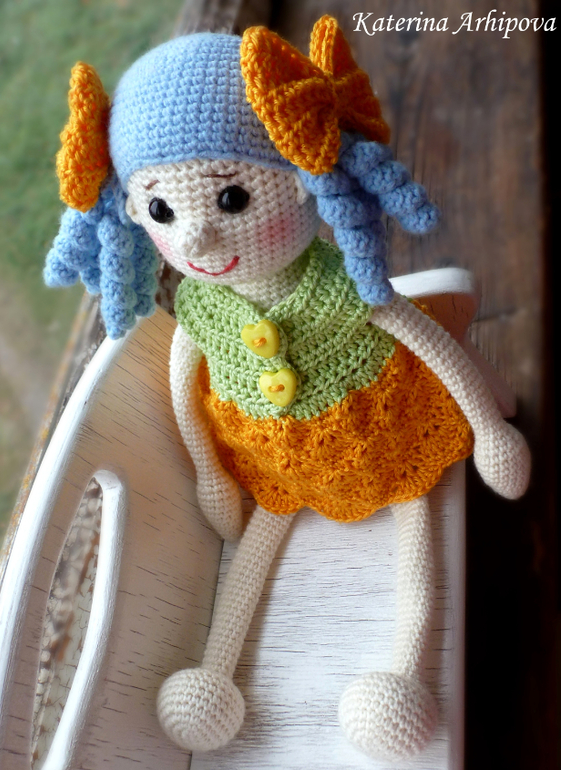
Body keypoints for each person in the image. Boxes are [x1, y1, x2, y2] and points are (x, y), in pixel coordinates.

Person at [44, 16, 530, 763]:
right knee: (263, 537)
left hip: (386, 438)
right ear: (133, 211)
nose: (196, 240)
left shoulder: (345, 290)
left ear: (302, 177)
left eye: (232, 198)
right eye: (163, 211)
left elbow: (421, 335)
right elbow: (184, 384)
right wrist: (210, 471)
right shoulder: (201, 310)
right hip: (278, 469)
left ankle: (404, 671)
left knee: (417, 520)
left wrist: (490, 431)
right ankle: (214, 671)